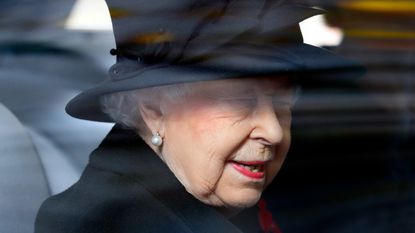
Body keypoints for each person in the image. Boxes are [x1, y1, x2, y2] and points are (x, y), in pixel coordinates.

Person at [35, 0, 363, 232]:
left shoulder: (269, 199)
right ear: (153, 109)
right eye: (239, 103)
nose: (274, 132)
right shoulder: (100, 225)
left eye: (284, 105)